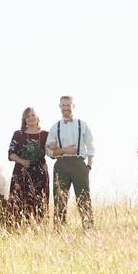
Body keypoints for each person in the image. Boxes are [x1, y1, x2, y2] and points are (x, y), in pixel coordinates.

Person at [47, 96, 95, 228]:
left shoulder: (82, 125)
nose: (66, 108)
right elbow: (49, 151)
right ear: (59, 107)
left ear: (73, 106)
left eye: (68, 105)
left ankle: (88, 228)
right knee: (59, 199)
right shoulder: (55, 127)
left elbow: (90, 146)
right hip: (61, 164)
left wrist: (88, 166)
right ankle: (59, 229)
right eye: (63, 105)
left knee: (83, 197)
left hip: (79, 164)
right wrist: (63, 150)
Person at [7, 108, 49, 224]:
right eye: (28, 116)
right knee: (19, 199)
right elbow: (11, 154)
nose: (30, 118)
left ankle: (39, 227)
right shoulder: (18, 134)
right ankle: (17, 227)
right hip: (21, 172)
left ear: (37, 117)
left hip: (40, 174)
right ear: (24, 120)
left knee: (39, 200)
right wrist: (22, 161)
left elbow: (51, 152)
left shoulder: (45, 135)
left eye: (33, 115)